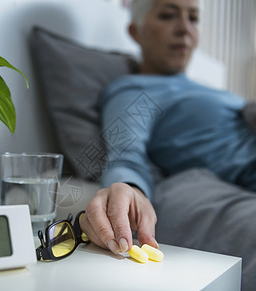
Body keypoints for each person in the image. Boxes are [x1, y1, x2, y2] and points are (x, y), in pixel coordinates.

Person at [80, 0, 256, 256]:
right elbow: (126, 155)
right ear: (136, 32)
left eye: (193, 18)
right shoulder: (136, 91)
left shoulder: (214, 90)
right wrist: (128, 189)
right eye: (168, 15)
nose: (184, 28)